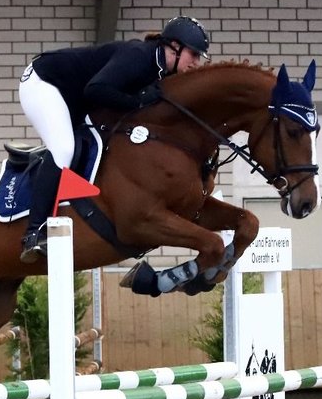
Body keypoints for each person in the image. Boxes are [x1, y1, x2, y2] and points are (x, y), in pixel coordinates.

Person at [17, 15, 212, 262]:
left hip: (76, 96)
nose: (196, 62)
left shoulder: (160, 70)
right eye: (193, 54)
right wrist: (137, 101)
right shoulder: (140, 57)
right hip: (43, 83)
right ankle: (33, 233)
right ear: (174, 47)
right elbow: (96, 90)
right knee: (64, 149)